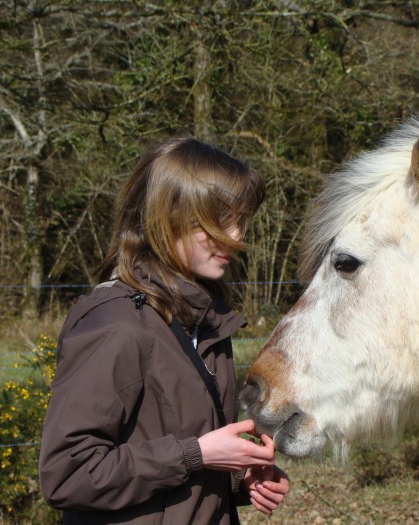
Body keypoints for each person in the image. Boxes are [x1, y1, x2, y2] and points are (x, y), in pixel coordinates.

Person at [39, 137, 290, 524]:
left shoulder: (208, 325)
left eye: (241, 220)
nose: (238, 236)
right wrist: (198, 455)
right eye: (221, 219)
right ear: (170, 215)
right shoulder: (115, 324)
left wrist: (242, 476)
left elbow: (188, 449)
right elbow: (68, 474)